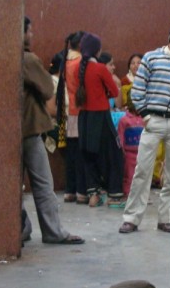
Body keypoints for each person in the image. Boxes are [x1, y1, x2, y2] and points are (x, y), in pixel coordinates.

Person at [21, 16, 84, 245]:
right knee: (43, 183)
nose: (32, 35)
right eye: (29, 31)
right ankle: (53, 231)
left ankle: (21, 227)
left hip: (12, 129)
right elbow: (48, 89)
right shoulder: (28, 59)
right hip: (30, 127)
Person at [119, 23, 170, 234]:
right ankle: (131, 218)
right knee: (143, 170)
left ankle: (166, 218)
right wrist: (145, 116)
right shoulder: (152, 58)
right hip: (153, 120)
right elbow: (137, 90)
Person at [73, 33, 125, 208]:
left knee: (89, 155)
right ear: (97, 50)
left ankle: (93, 195)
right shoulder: (100, 69)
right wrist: (103, 92)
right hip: (101, 116)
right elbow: (115, 92)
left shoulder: (77, 69)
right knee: (113, 154)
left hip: (84, 117)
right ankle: (114, 195)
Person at [57, 31, 88, 204]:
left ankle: (70, 190)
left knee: (71, 153)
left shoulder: (65, 61)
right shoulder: (80, 62)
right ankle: (82, 191)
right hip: (80, 110)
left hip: (68, 110)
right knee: (81, 153)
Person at [118, 87, 144, 195]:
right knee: (129, 174)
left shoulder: (143, 119)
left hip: (142, 153)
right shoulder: (124, 120)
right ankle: (128, 194)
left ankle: (141, 194)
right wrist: (122, 151)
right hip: (129, 154)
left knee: (142, 174)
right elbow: (120, 137)